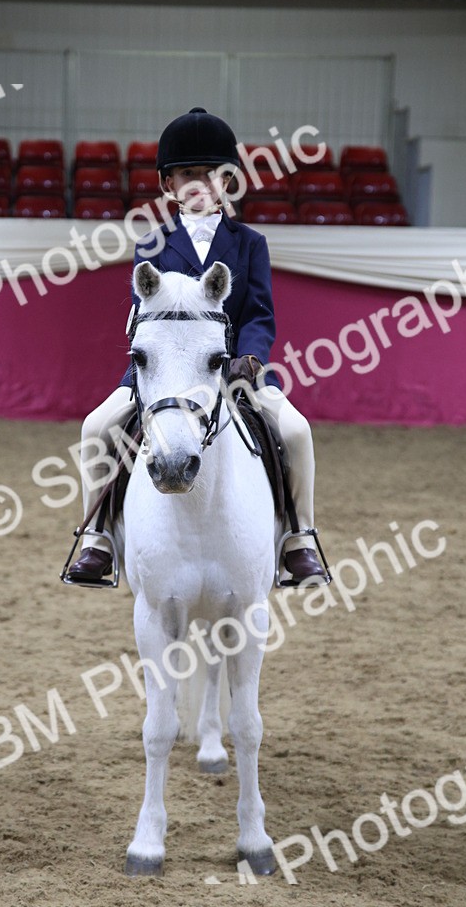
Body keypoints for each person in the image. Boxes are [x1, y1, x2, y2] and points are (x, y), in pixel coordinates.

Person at [66, 106, 324, 586]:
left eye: (212, 175)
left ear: (229, 182)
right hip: (165, 371)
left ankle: (298, 536)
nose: (200, 185)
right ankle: (97, 537)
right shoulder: (153, 245)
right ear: (168, 185)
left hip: (235, 370)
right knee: (95, 427)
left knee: (296, 431)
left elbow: (260, 314)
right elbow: (145, 318)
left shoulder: (249, 243)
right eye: (188, 175)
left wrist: (250, 358)